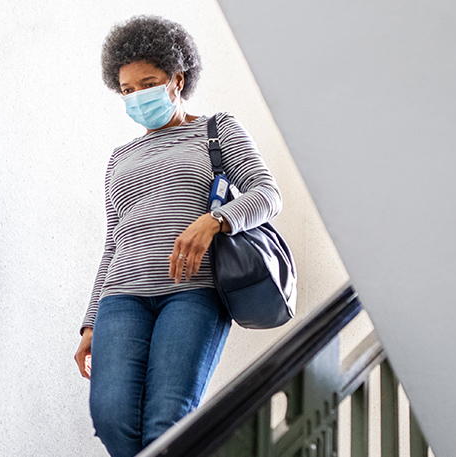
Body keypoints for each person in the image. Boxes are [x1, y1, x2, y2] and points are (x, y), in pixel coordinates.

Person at [72, 15, 283, 457]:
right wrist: (91, 320)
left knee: (168, 421)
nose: (136, 96)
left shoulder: (218, 129)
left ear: (177, 79)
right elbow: (114, 241)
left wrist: (215, 220)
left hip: (193, 293)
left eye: (147, 83)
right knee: (111, 420)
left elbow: (267, 195)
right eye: (127, 90)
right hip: (121, 298)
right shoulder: (119, 159)